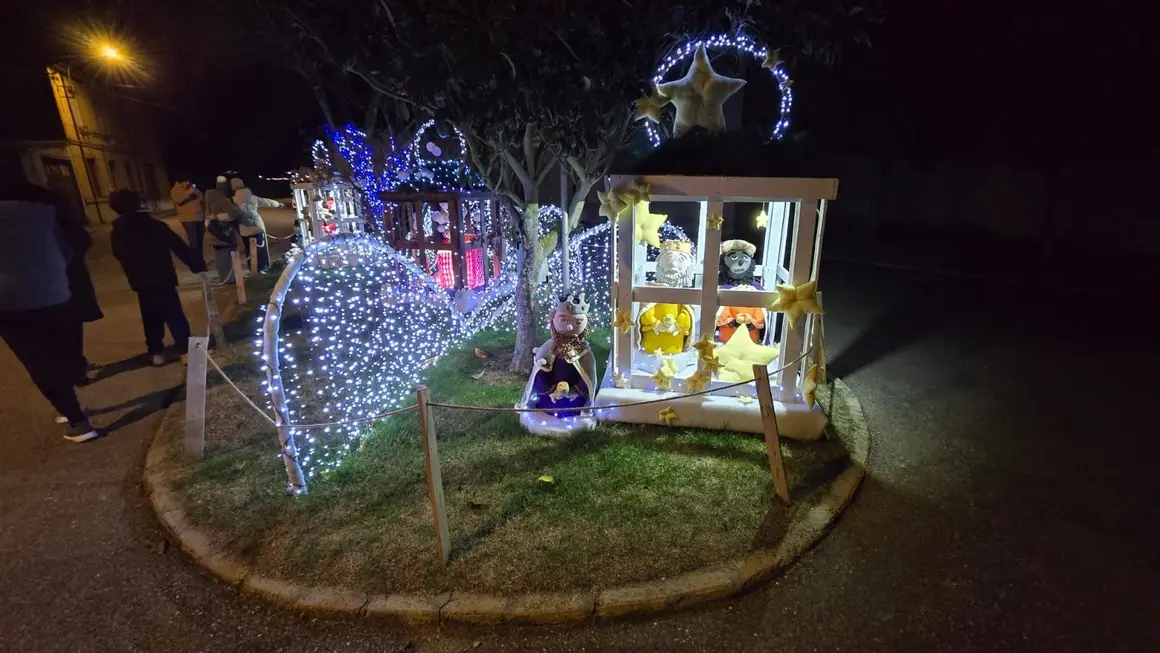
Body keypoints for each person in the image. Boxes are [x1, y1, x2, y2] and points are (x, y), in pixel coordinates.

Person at [0, 171, 99, 442]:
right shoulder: (45, 204)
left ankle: (77, 420)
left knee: (37, 359)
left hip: (9, 300)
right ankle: (70, 395)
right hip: (55, 288)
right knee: (57, 347)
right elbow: (74, 244)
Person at [108, 189, 207, 366]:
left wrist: (133, 268)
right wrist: (196, 265)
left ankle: (156, 352)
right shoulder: (154, 226)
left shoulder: (118, 231)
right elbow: (178, 246)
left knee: (150, 316)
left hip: (140, 281)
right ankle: (185, 350)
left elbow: (119, 254)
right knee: (174, 313)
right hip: (163, 276)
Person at [231, 176, 282, 273]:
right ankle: (262, 267)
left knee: (249, 249)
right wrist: (278, 204)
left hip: (244, 229)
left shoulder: (233, 201)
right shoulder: (252, 197)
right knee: (261, 249)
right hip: (258, 227)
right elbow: (266, 202)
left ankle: (253, 269)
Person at [203, 175, 244, 283]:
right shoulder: (222, 200)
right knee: (228, 255)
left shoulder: (208, 198)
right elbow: (236, 213)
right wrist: (219, 217)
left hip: (214, 231)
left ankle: (224, 277)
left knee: (220, 255)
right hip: (225, 230)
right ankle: (230, 278)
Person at [170, 177, 205, 262]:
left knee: (200, 240)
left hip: (199, 218)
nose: (187, 183)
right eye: (185, 182)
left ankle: (200, 259)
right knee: (194, 241)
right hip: (188, 219)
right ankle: (196, 261)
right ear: (180, 182)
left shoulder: (192, 188)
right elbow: (178, 201)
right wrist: (189, 193)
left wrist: (198, 193)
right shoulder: (175, 190)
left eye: (188, 181)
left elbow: (201, 199)